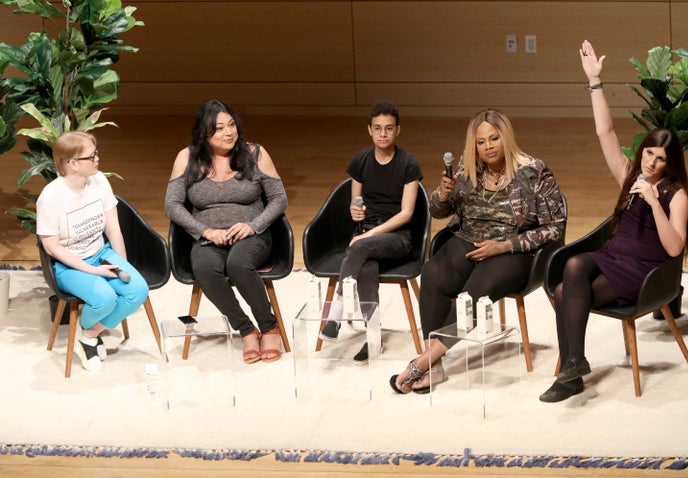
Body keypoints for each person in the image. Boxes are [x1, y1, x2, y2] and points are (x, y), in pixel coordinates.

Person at [538, 41, 688, 403]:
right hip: (613, 259)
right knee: (572, 270)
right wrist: (595, 82)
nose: (651, 163)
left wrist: (655, 202)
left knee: (566, 289)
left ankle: (571, 373)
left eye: (659, 160)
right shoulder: (629, 176)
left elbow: (674, 247)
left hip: (644, 273)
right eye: (648, 154)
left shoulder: (677, 194)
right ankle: (575, 364)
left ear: (669, 165)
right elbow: (605, 134)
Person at [390, 108, 566, 394]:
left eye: (494, 139)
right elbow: (438, 212)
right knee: (433, 272)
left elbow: (555, 227)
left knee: (474, 293)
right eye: (481, 142)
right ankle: (434, 367)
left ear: (506, 137)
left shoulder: (534, 170)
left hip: (514, 248)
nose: (488, 147)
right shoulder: (467, 168)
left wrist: (504, 246)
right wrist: (443, 193)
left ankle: (423, 362)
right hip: (469, 239)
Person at [164, 99, 288, 364]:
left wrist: (252, 226)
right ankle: (246, 329)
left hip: (252, 234)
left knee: (239, 263)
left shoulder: (255, 153)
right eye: (219, 128)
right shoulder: (186, 158)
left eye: (231, 125)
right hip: (210, 236)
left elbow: (279, 199)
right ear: (204, 133)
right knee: (205, 267)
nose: (229, 132)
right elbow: (172, 205)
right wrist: (205, 231)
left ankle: (269, 327)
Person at [318, 101, 423, 363]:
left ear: (398, 130)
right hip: (368, 236)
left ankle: (336, 313)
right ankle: (374, 338)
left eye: (388, 128)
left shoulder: (408, 163)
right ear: (370, 130)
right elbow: (356, 202)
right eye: (378, 128)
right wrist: (356, 213)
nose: (383, 134)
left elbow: (407, 214)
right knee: (365, 269)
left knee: (359, 247)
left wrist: (368, 234)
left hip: (398, 238)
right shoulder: (361, 160)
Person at [36, 131, 149, 373]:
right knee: (105, 298)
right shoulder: (50, 198)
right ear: (73, 164)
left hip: (101, 252)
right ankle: (90, 337)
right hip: (70, 265)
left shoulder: (100, 182)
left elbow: (113, 228)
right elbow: (51, 247)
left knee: (138, 290)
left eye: (96, 153)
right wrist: (92, 270)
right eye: (92, 156)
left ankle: (88, 334)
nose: (97, 159)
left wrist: (122, 264)